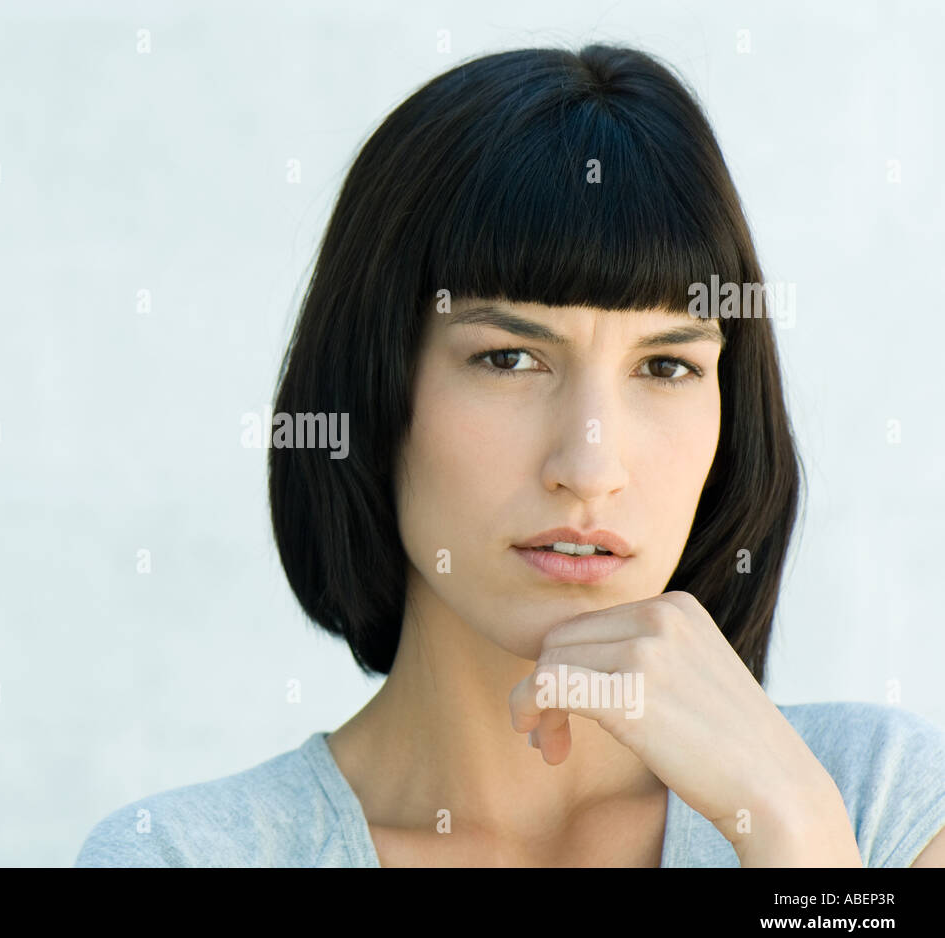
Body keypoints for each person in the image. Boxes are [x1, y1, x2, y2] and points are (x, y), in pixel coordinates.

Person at [75, 44, 945, 867]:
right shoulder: (184, 854)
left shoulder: (879, 806)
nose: (590, 465)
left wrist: (796, 839)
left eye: (666, 365)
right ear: (374, 390)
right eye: (509, 359)